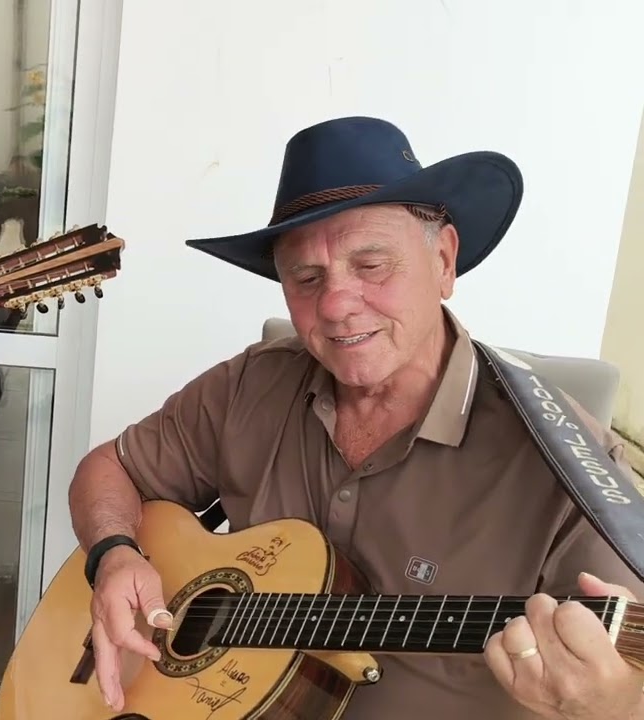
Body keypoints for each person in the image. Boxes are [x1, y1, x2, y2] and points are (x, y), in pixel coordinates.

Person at [69, 116, 644, 719]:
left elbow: (623, 674)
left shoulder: (566, 458)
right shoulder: (250, 384)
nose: (337, 304)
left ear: (444, 261)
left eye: (371, 266)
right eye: (307, 277)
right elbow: (109, 467)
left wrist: (614, 707)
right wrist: (113, 554)